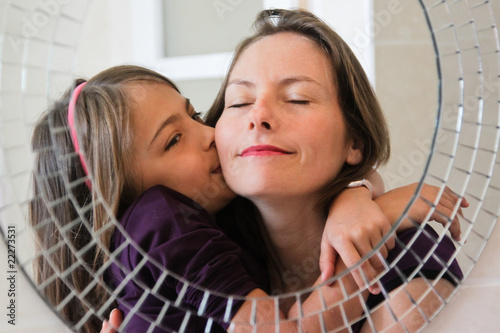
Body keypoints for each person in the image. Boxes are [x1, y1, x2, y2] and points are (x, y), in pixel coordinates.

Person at [103, 8, 467, 333]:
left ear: (354, 140)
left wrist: (362, 197)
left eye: (297, 98)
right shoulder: (192, 257)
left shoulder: (411, 263)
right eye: (240, 101)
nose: (257, 115)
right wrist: (373, 202)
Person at [29, 65, 402, 333]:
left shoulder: (188, 226)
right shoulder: (163, 222)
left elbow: (333, 166)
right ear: (124, 197)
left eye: (193, 114)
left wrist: (356, 197)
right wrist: (384, 221)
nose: (208, 133)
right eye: (174, 140)